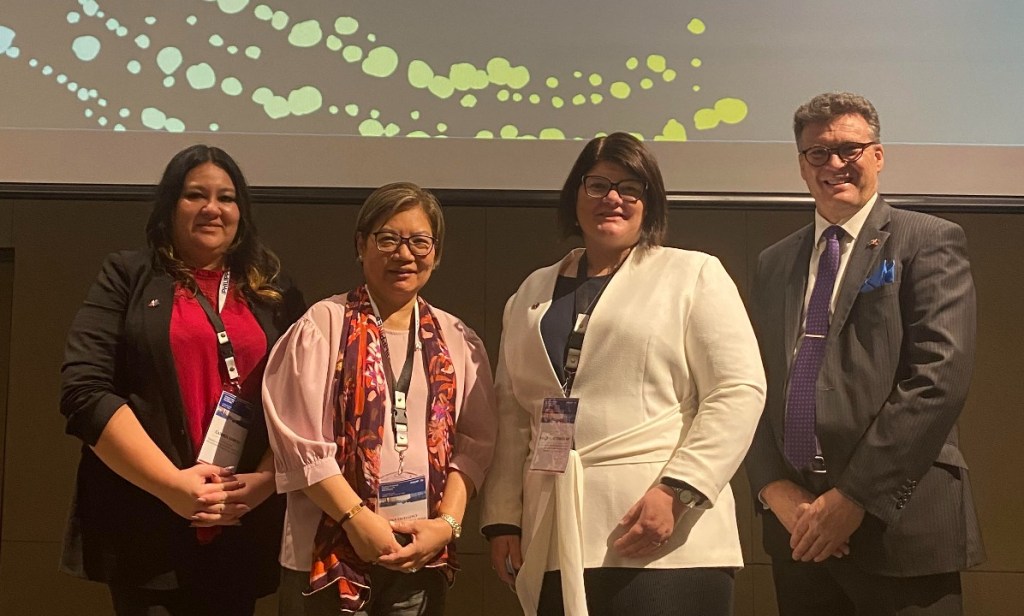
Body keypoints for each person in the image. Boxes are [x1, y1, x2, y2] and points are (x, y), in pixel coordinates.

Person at [479, 132, 766, 616]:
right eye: (597, 185)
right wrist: (505, 521)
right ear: (575, 198)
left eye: (631, 187)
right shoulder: (531, 291)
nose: (613, 197)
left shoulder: (693, 274)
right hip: (553, 532)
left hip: (664, 533)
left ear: (648, 204)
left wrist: (677, 492)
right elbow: (513, 412)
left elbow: (738, 391)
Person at [744, 91, 985, 616]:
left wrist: (854, 498)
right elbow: (751, 383)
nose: (834, 164)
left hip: (899, 525)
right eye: (818, 153)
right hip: (798, 529)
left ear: (878, 155)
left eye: (850, 150)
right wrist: (773, 486)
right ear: (802, 166)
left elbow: (938, 378)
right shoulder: (774, 262)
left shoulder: (929, 240)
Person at [59, 144, 306, 615]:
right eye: (196, 195)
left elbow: (302, 399)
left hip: (241, 521)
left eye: (227, 197)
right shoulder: (127, 276)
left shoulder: (273, 290)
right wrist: (172, 486)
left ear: (242, 212)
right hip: (147, 522)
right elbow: (84, 391)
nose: (213, 208)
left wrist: (266, 480)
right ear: (170, 205)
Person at [262, 182, 497, 615]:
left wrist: (446, 525)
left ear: (437, 252)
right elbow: (299, 445)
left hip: (419, 554)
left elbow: (476, 444)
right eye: (387, 238)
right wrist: (357, 520)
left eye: (419, 241)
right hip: (327, 554)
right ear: (361, 244)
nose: (404, 254)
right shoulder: (322, 325)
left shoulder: (458, 340)